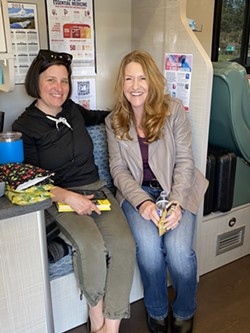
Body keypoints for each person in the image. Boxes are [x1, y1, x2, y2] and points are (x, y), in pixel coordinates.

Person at [12, 49, 136, 333]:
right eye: (51, 80)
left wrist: (133, 112)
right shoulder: (25, 127)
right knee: (91, 245)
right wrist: (69, 197)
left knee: (124, 244)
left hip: (96, 189)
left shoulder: (72, 110)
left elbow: (101, 116)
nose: (59, 88)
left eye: (64, 81)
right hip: (59, 196)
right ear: (36, 82)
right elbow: (29, 181)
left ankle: (111, 326)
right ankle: (96, 320)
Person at [105, 50, 208, 333]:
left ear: (152, 81)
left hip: (175, 189)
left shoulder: (172, 110)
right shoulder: (113, 121)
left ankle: (185, 310)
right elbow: (118, 170)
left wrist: (175, 203)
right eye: (129, 78)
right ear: (121, 83)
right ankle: (157, 311)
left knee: (178, 252)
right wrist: (141, 204)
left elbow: (186, 161)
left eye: (141, 78)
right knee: (149, 250)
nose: (135, 86)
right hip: (136, 194)